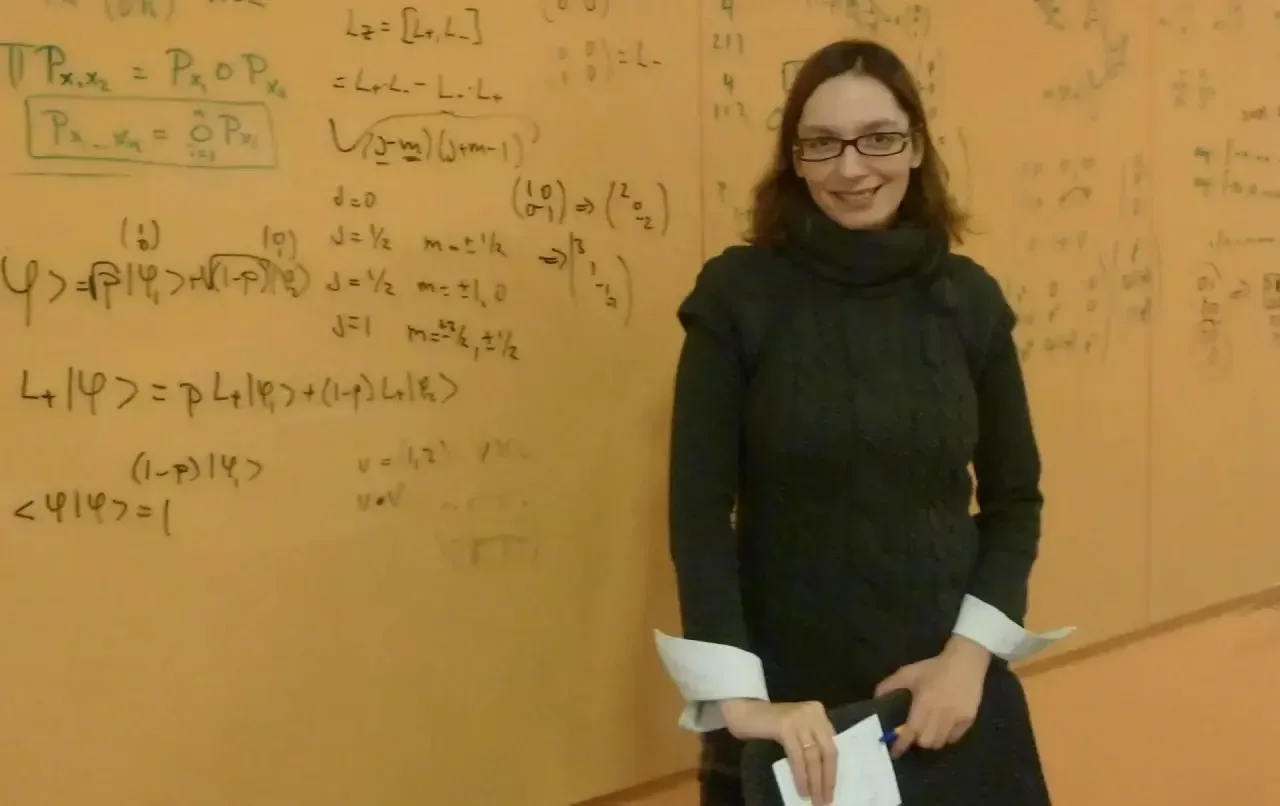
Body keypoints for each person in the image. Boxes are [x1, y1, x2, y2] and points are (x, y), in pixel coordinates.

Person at [656, 39, 1069, 806]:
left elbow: (1016, 502)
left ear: (915, 146)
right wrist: (744, 705)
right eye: (822, 144)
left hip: (942, 702)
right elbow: (700, 513)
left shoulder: (969, 301)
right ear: (795, 160)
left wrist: (967, 661)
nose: (851, 169)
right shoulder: (737, 297)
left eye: (878, 138)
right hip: (792, 718)